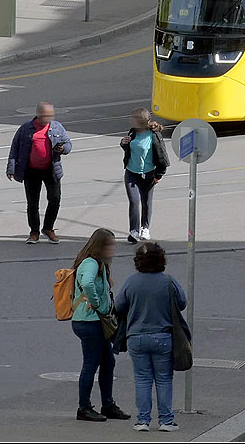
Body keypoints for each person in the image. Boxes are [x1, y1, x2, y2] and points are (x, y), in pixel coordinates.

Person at [115, 242, 188, 432]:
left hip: (136, 337)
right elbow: (182, 303)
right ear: (161, 260)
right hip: (163, 337)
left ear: (138, 261)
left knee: (142, 379)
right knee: (164, 378)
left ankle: (142, 421)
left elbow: (119, 306)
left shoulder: (132, 281)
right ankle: (166, 421)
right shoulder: (168, 281)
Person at [70, 229, 129, 422]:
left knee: (108, 362)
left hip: (94, 322)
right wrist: (96, 303)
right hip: (89, 321)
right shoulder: (91, 263)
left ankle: (108, 404)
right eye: (110, 245)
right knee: (91, 364)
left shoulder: (98, 263)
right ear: (100, 246)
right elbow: (87, 283)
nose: (113, 249)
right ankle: (84, 407)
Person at [6, 101, 74, 244]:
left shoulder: (57, 127)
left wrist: (62, 149)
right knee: (32, 203)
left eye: (51, 115)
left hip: (51, 169)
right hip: (31, 170)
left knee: (55, 199)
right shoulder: (26, 129)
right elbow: (15, 148)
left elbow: (68, 144)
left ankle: (48, 228)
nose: (49, 118)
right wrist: (11, 168)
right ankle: (34, 232)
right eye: (45, 116)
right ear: (38, 114)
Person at [121, 109, 170, 244]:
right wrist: (124, 143)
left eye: (134, 119)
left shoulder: (153, 135)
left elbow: (162, 155)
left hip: (149, 173)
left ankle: (145, 228)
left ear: (141, 121)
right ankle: (134, 231)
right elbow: (128, 148)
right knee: (134, 201)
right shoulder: (133, 132)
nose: (131, 121)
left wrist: (159, 174)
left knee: (146, 202)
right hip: (132, 173)